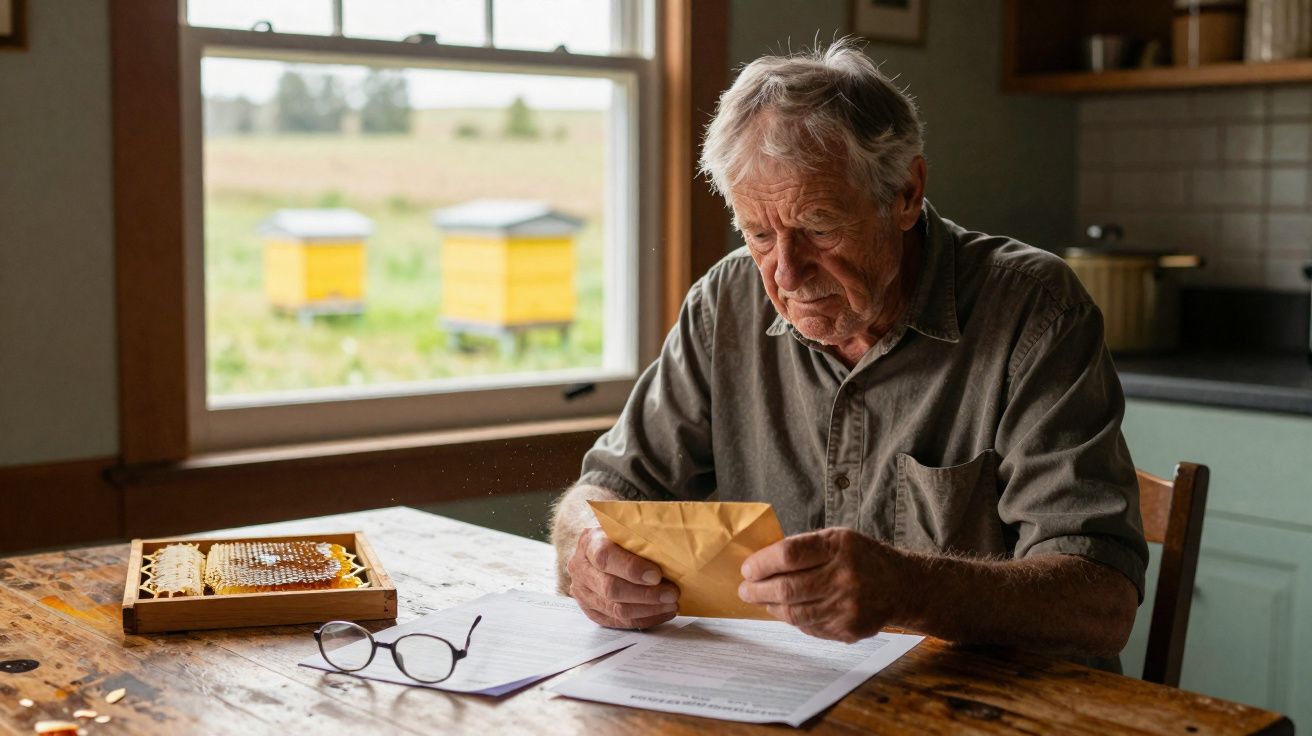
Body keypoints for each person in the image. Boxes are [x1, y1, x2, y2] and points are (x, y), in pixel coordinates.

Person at [550, 39, 1147, 666]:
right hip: (785, 688)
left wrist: (910, 590)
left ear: (906, 194)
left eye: (819, 227)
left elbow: (1101, 602)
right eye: (759, 234)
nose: (786, 272)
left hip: (990, 699)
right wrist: (589, 552)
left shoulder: (1035, 310)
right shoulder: (724, 303)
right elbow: (606, 490)